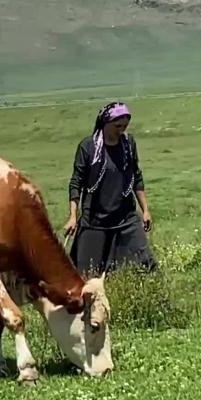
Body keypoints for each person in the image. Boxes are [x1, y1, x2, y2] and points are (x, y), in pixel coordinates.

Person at [64, 101, 157, 277]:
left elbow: (136, 177)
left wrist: (145, 210)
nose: (121, 129)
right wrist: (72, 216)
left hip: (125, 218)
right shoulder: (88, 148)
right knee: (84, 274)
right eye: (117, 125)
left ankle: (157, 301)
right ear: (105, 123)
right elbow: (76, 183)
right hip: (95, 221)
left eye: (125, 125)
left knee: (146, 265)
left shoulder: (129, 144)